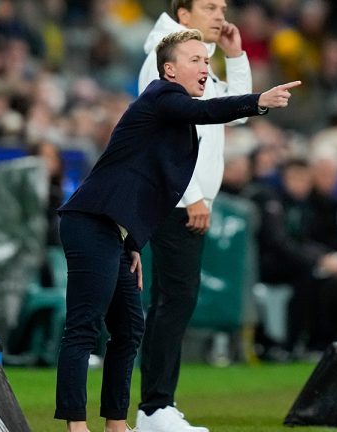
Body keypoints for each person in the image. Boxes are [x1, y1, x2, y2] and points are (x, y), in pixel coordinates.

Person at [54, 29, 299, 432]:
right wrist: (259, 102)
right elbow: (207, 113)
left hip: (114, 233)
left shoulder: (172, 118)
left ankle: (116, 423)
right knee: (84, 327)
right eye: (195, 60)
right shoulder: (161, 97)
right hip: (89, 223)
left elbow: (141, 184)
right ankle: (76, 427)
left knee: (130, 328)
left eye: (206, 60)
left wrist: (131, 242)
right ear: (169, 70)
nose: (205, 66)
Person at [136, 1, 252, 431]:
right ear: (182, 14)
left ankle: (157, 407)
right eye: (209, 5)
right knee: (172, 302)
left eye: (223, 5)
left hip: (184, 199)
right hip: (176, 199)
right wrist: (192, 195)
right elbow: (162, 134)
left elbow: (232, 112)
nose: (220, 12)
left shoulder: (194, 55)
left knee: (174, 302)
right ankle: (154, 409)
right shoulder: (162, 58)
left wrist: (236, 57)